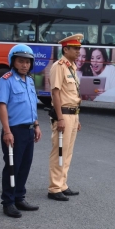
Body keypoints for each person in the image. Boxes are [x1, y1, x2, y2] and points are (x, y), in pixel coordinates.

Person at [0, 44, 42, 218]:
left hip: (29, 130)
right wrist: (7, 131)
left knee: (25, 165)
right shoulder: (6, 80)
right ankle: (8, 202)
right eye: (21, 61)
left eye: (28, 62)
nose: (25, 65)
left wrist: (36, 125)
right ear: (13, 62)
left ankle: (19, 197)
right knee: (12, 167)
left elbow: (32, 106)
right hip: (14, 131)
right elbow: (2, 106)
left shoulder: (29, 80)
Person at [47, 34, 83, 201]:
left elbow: (72, 94)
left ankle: (62, 184)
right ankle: (54, 187)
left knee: (67, 152)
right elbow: (55, 93)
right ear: (65, 49)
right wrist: (60, 118)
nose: (78, 51)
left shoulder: (72, 67)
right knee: (59, 151)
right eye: (75, 48)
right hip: (63, 115)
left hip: (72, 115)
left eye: (78, 48)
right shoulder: (58, 66)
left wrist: (77, 118)